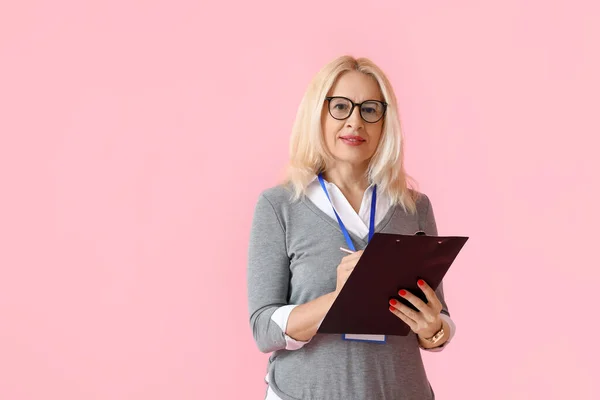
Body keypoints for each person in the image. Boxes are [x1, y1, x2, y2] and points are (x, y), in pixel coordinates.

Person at [247, 55, 456, 400]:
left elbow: (440, 317)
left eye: (370, 109)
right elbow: (263, 328)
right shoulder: (279, 205)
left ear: (384, 121)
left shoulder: (414, 207)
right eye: (341, 107)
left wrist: (434, 329)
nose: (355, 122)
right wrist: (339, 298)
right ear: (318, 113)